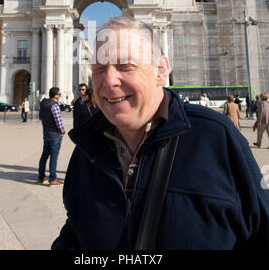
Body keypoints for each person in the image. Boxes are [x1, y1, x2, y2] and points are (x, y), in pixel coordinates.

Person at [52, 17, 269, 250]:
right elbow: (77, 228)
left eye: (125, 66)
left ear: (161, 70)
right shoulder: (85, 147)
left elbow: (262, 230)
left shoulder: (216, 137)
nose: (108, 80)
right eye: (98, 68)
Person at [38, 87, 65, 186]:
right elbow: (58, 120)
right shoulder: (54, 106)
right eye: (59, 94)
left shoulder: (43, 104)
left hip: (46, 132)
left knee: (44, 155)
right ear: (56, 95)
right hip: (55, 134)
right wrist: (62, 130)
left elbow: (40, 117)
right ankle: (52, 179)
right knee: (54, 156)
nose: (59, 95)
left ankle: (41, 177)